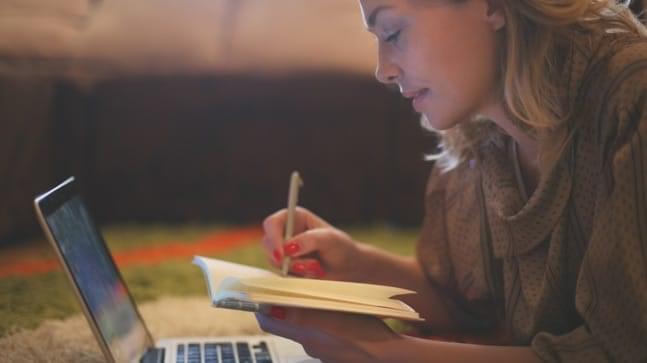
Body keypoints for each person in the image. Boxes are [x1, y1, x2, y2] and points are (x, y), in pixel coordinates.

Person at [256, 0, 647, 361]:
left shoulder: (632, 97)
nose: (383, 70)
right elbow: (466, 304)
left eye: (392, 33)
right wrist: (357, 264)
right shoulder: (479, 130)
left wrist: (383, 351)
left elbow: (622, 352)